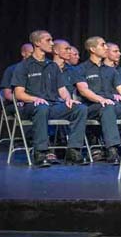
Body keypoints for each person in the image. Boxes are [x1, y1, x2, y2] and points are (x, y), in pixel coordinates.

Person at [11, 30, 89, 167]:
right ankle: (41, 152)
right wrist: (35, 99)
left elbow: (62, 89)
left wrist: (68, 99)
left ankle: (73, 151)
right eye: (48, 40)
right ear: (37, 43)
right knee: (42, 107)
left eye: (52, 40)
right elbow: (18, 93)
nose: (52, 43)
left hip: (52, 105)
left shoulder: (52, 66)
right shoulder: (23, 66)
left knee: (80, 108)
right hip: (31, 106)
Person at [75, 36, 121, 164]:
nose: (106, 48)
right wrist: (100, 99)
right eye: (103, 45)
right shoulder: (81, 69)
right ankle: (113, 150)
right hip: (91, 106)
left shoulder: (111, 70)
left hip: (111, 106)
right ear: (92, 49)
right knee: (107, 107)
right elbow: (83, 90)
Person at [0, 43, 34, 109]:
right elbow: (7, 94)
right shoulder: (11, 69)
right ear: (23, 53)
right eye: (31, 53)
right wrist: (21, 100)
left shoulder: (38, 70)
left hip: (34, 103)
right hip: (16, 104)